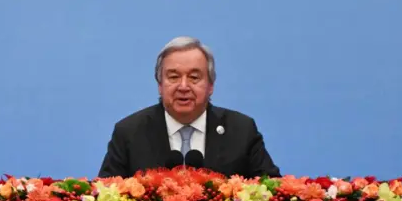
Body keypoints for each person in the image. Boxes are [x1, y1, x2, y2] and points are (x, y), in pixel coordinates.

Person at [97, 36, 281, 179]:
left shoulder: (241, 130)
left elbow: (272, 192)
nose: (183, 87)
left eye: (194, 77)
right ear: (160, 85)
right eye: (173, 77)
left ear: (211, 86)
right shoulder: (129, 133)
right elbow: (105, 197)